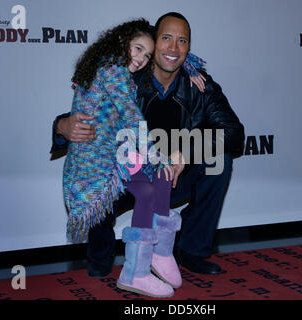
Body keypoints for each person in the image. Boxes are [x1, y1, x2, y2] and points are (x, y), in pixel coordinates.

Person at [51, 12, 245, 280]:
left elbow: (234, 132)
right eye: (166, 38)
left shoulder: (200, 86)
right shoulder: (128, 75)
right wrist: (62, 126)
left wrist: (187, 152)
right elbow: (91, 111)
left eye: (182, 41)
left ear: (189, 48)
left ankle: (190, 250)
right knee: (98, 171)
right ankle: (100, 255)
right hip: (125, 176)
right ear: (154, 42)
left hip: (170, 176)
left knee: (218, 161)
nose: (173, 48)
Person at [63, 18, 208, 298]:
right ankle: (137, 270)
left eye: (146, 54)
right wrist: (154, 154)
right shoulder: (111, 71)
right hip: (96, 166)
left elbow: (172, 57)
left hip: (118, 154)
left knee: (163, 177)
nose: (141, 59)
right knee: (152, 184)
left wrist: (190, 65)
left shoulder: (117, 69)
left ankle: (158, 255)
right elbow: (131, 116)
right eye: (137, 49)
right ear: (122, 44)